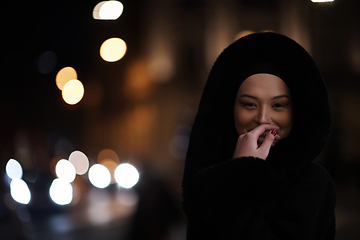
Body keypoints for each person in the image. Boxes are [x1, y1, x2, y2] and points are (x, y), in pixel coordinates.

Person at [181, 32, 336, 239]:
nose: (263, 118)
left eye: (279, 105)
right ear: (231, 109)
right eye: (249, 104)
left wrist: (244, 173)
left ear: (295, 112)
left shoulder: (313, 182)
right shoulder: (209, 180)